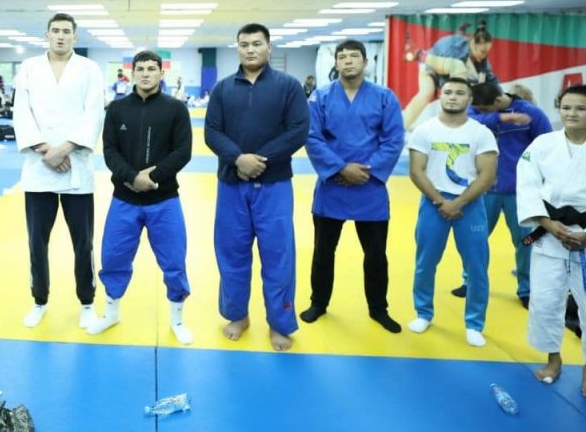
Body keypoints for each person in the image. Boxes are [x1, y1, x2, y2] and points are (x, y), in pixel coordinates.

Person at [205, 23, 309, 350]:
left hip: (274, 185)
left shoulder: (288, 86)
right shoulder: (223, 88)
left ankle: (280, 322)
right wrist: (238, 159)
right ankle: (237, 315)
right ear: (237, 48)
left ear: (269, 47)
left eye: (257, 43)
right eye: (244, 44)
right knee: (232, 253)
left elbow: (298, 130)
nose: (250, 49)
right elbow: (212, 132)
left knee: (278, 255)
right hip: (231, 185)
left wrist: (259, 160)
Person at [88, 50, 194, 344]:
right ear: (132, 73)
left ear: (161, 73)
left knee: (174, 260)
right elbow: (110, 151)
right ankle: (111, 313)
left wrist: (154, 177)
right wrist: (132, 177)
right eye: (140, 69)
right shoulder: (117, 109)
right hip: (124, 199)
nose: (146, 74)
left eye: (151, 68)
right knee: (113, 257)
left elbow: (182, 151)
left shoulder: (176, 109)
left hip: (165, 200)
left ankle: (177, 320)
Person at [302, 40, 404, 333]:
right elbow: (312, 137)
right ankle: (318, 303)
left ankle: (378, 308)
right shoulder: (320, 97)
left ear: (365, 62)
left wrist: (367, 171)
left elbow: (394, 139)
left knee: (376, 254)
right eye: (342, 57)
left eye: (354, 56)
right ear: (335, 63)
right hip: (332, 184)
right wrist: (340, 168)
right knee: (323, 252)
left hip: (370, 186)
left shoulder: (384, 97)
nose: (348, 61)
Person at [13, 12, 105, 329]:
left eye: (67, 31)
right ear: (47, 35)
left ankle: (87, 302)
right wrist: (46, 150)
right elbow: (21, 112)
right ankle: (39, 300)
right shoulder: (29, 68)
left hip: (76, 166)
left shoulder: (89, 68)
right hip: (39, 169)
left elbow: (94, 113)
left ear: (75, 37)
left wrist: (64, 149)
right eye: (56, 31)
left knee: (84, 242)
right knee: (36, 242)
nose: (61, 36)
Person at [517, 84, 586, 400]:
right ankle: (553, 360)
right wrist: (546, 223)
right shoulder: (543, 144)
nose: (572, 113)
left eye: (581, 108)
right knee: (545, 300)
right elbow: (527, 185)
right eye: (566, 107)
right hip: (550, 233)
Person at [406, 78, 498, 346]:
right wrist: (440, 201)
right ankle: (423, 313)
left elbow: (487, 176)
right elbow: (416, 171)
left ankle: (474, 323)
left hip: (470, 204)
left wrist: (458, 203)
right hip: (433, 203)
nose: (453, 97)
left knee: (477, 266)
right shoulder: (424, 130)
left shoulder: (481, 133)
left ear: (470, 99)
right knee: (425, 263)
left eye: (460, 93)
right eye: (448, 92)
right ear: (440, 96)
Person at [450, 82, 552, 306]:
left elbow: (548, 144)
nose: (480, 112)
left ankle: (526, 289)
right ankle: (470, 282)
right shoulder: (476, 111)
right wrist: (502, 118)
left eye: (485, 109)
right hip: (483, 189)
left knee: (525, 241)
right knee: (475, 238)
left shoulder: (531, 113)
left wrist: (543, 183)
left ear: (497, 101)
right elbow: (465, 121)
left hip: (519, 191)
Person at [403, 22, 498, 129]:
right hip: (431, 65)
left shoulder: (483, 61)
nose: (484, 55)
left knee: (464, 90)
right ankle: (401, 126)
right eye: (482, 51)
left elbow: (491, 81)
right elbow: (449, 82)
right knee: (426, 93)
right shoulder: (454, 49)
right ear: (472, 44)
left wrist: (500, 97)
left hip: (447, 69)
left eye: (487, 52)